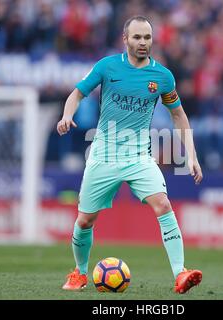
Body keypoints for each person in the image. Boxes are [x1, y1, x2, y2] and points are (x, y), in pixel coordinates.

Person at [57, 16, 203, 294]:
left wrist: (191, 155)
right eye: (137, 37)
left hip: (139, 157)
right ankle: (79, 273)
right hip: (104, 155)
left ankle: (180, 273)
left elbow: (178, 116)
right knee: (85, 220)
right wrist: (67, 116)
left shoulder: (162, 76)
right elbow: (77, 94)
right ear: (125, 39)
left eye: (147, 38)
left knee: (163, 204)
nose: (143, 43)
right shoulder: (107, 66)